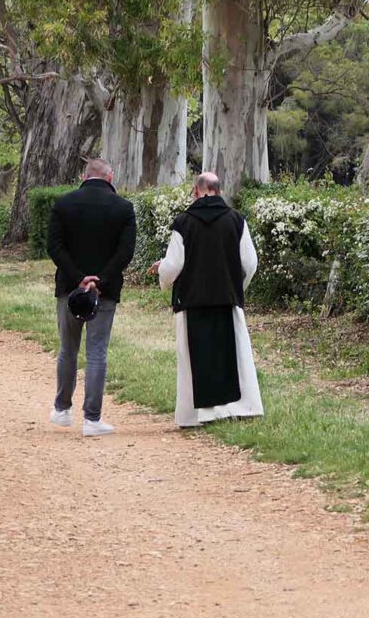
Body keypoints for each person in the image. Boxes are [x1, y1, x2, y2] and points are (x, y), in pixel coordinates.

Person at [150, 172, 264, 427]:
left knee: (193, 359)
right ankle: (238, 408)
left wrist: (161, 274)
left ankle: (194, 416)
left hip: (192, 300)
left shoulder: (184, 222)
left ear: (196, 191)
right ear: (219, 191)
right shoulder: (236, 220)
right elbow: (250, 263)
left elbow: (174, 265)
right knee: (233, 356)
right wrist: (237, 286)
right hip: (226, 299)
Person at [47, 158, 136, 437]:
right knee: (97, 351)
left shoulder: (63, 204)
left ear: (84, 177)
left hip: (69, 289)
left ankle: (62, 409)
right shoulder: (123, 208)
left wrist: (79, 278)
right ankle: (92, 419)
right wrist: (100, 279)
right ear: (110, 178)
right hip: (105, 291)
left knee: (67, 349)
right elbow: (125, 253)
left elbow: (55, 248)